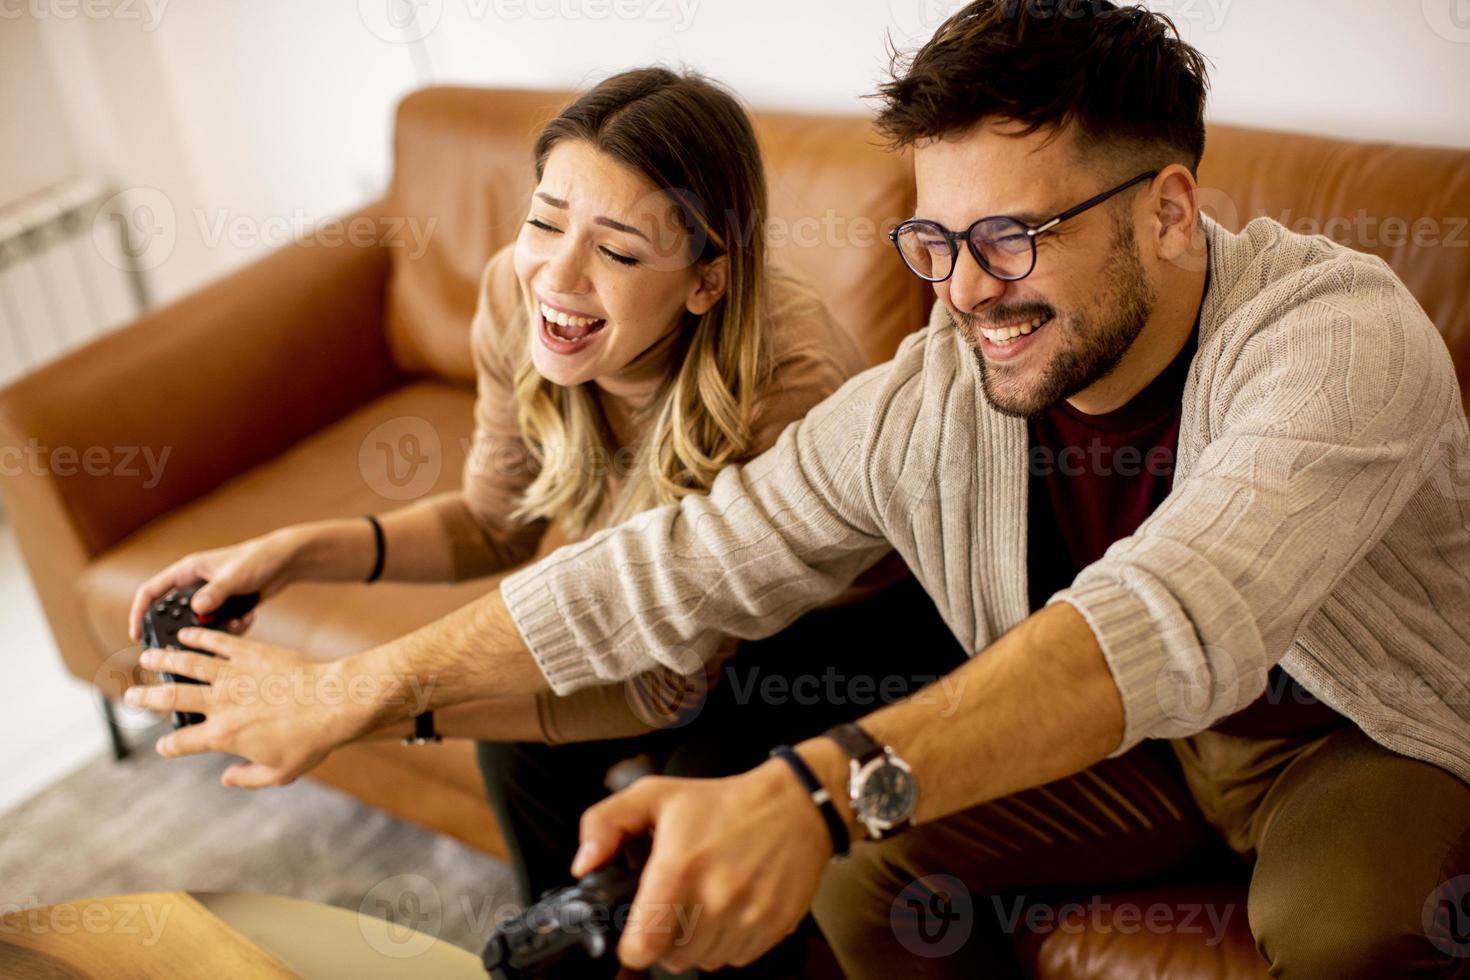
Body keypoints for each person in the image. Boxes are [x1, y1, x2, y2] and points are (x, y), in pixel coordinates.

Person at [127, 4, 1470, 977]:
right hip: (1137, 743)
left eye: (1007, 238)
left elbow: (1176, 615)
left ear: (1168, 212)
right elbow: (684, 559)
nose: (960, 291)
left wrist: (813, 786)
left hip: (1348, 735)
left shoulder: (1334, 339)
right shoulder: (938, 386)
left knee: (1348, 929)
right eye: (933, 241)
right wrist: (350, 690)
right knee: (865, 888)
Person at [126, 66, 963, 977]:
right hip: (676, 625)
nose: (556, 276)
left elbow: (659, 686)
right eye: (545, 219)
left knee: (691, 856)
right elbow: (497, 523)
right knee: (520, 769)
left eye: (618, 250)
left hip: (838, 637)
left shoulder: (787, 386)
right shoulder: (517, 296)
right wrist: (292, 555)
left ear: (705, 281)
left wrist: (340, 706)